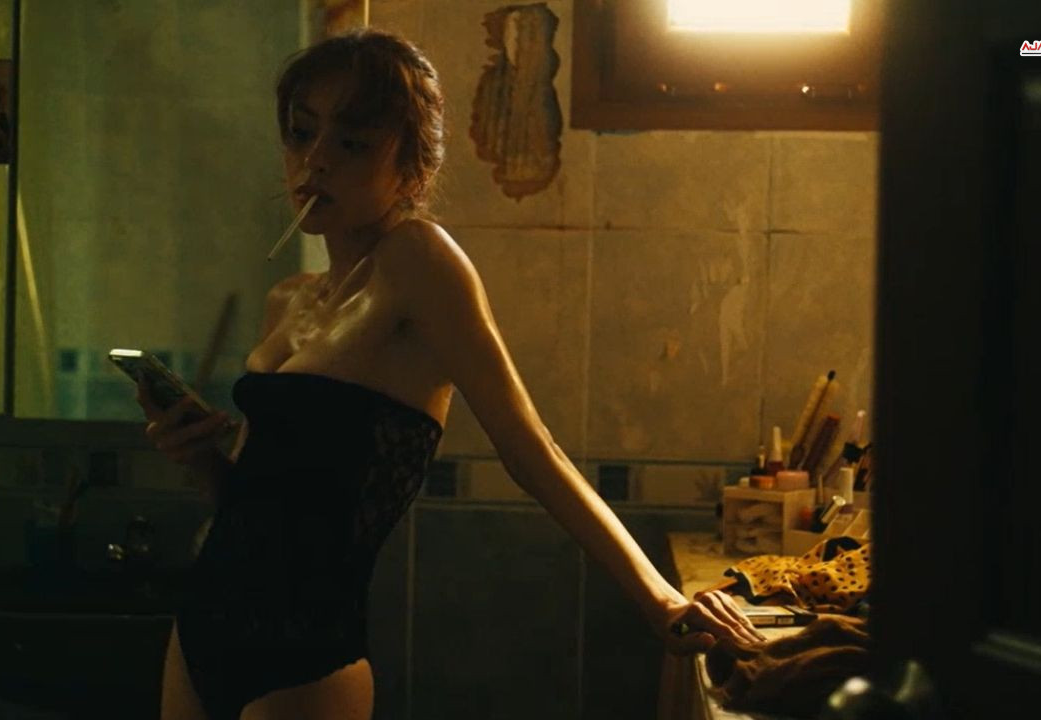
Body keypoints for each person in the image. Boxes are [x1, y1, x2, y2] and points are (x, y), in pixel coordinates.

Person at [137, 28, 764, 720]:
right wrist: (199, 458)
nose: (315, 160)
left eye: (352, 142)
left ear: (409, 169)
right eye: (301, 133)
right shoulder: (286, 300)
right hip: (197, 630)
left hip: (302, 654)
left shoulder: (419, 260)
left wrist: (661, 599)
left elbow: (533, 451)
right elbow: (253, 501)